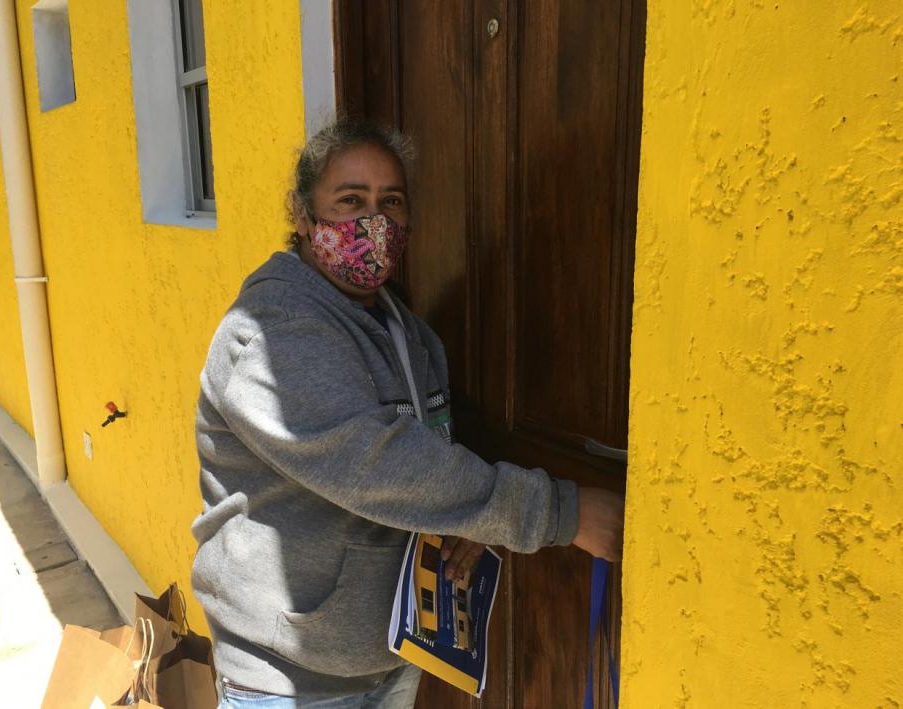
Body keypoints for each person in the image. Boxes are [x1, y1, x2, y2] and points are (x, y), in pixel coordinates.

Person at [191, 119, 624, 709]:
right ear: (301, 214)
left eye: (390, 202)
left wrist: (464, 520)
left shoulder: (403, 327)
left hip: (391, 656)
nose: (375, 222)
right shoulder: (272, 333)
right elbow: (377, 467)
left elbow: (427, 454)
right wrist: (562, 514)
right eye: (350, 200)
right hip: (289, 679)